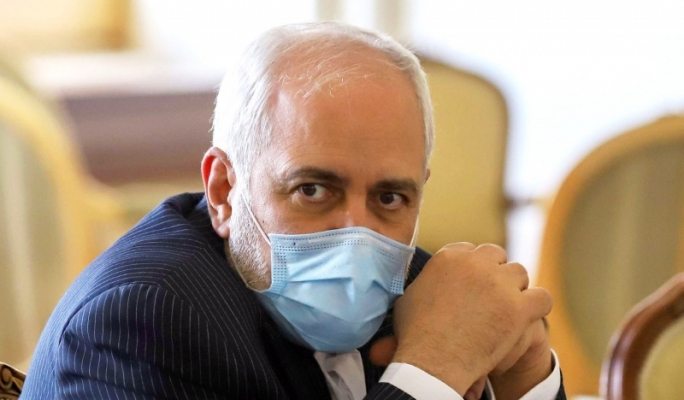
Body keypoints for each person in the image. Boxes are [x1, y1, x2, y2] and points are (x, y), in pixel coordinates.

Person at [22, 21, 565, 399]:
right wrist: (431, 370)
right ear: (224, 191)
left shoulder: (420, 292)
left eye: (388, 198)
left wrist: (525, 374)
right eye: (313, 190)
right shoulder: (141, 319)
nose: (357, 237)